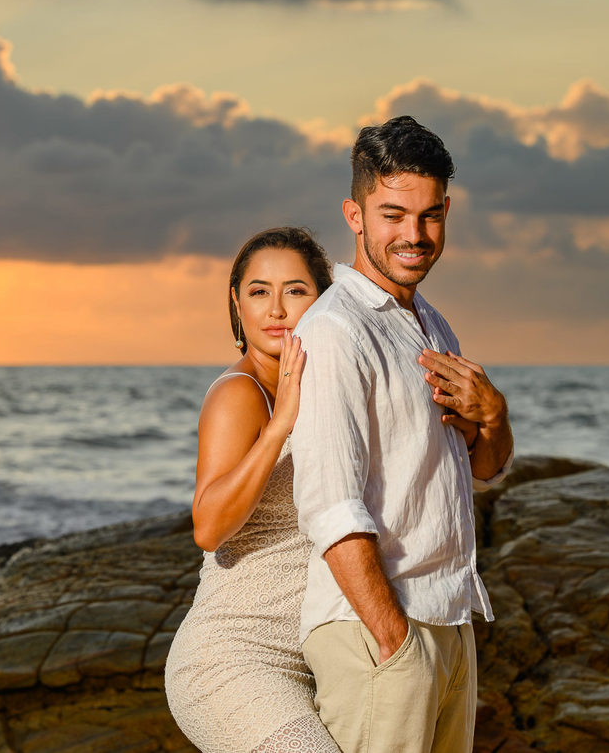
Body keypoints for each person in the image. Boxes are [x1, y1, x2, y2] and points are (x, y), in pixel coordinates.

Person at [291, 116, 514, 753]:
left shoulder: (433, 325)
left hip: (449, 620)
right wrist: (396, 642)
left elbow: (483, 466)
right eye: (393, 214)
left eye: (430, 216)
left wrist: (494, 416)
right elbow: (331, 506)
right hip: (382, 632)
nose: (413, 236)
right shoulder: (337, 330)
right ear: (355, 215)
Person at [166, 227, 342, 753]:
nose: (277, 309)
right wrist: (279, 425)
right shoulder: (239, 394)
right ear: (236, 304)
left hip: (314, 661)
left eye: (295, 290)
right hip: (233, 659)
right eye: (259, 292)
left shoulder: (327, 390)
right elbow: (209, 526)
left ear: (323, 301)